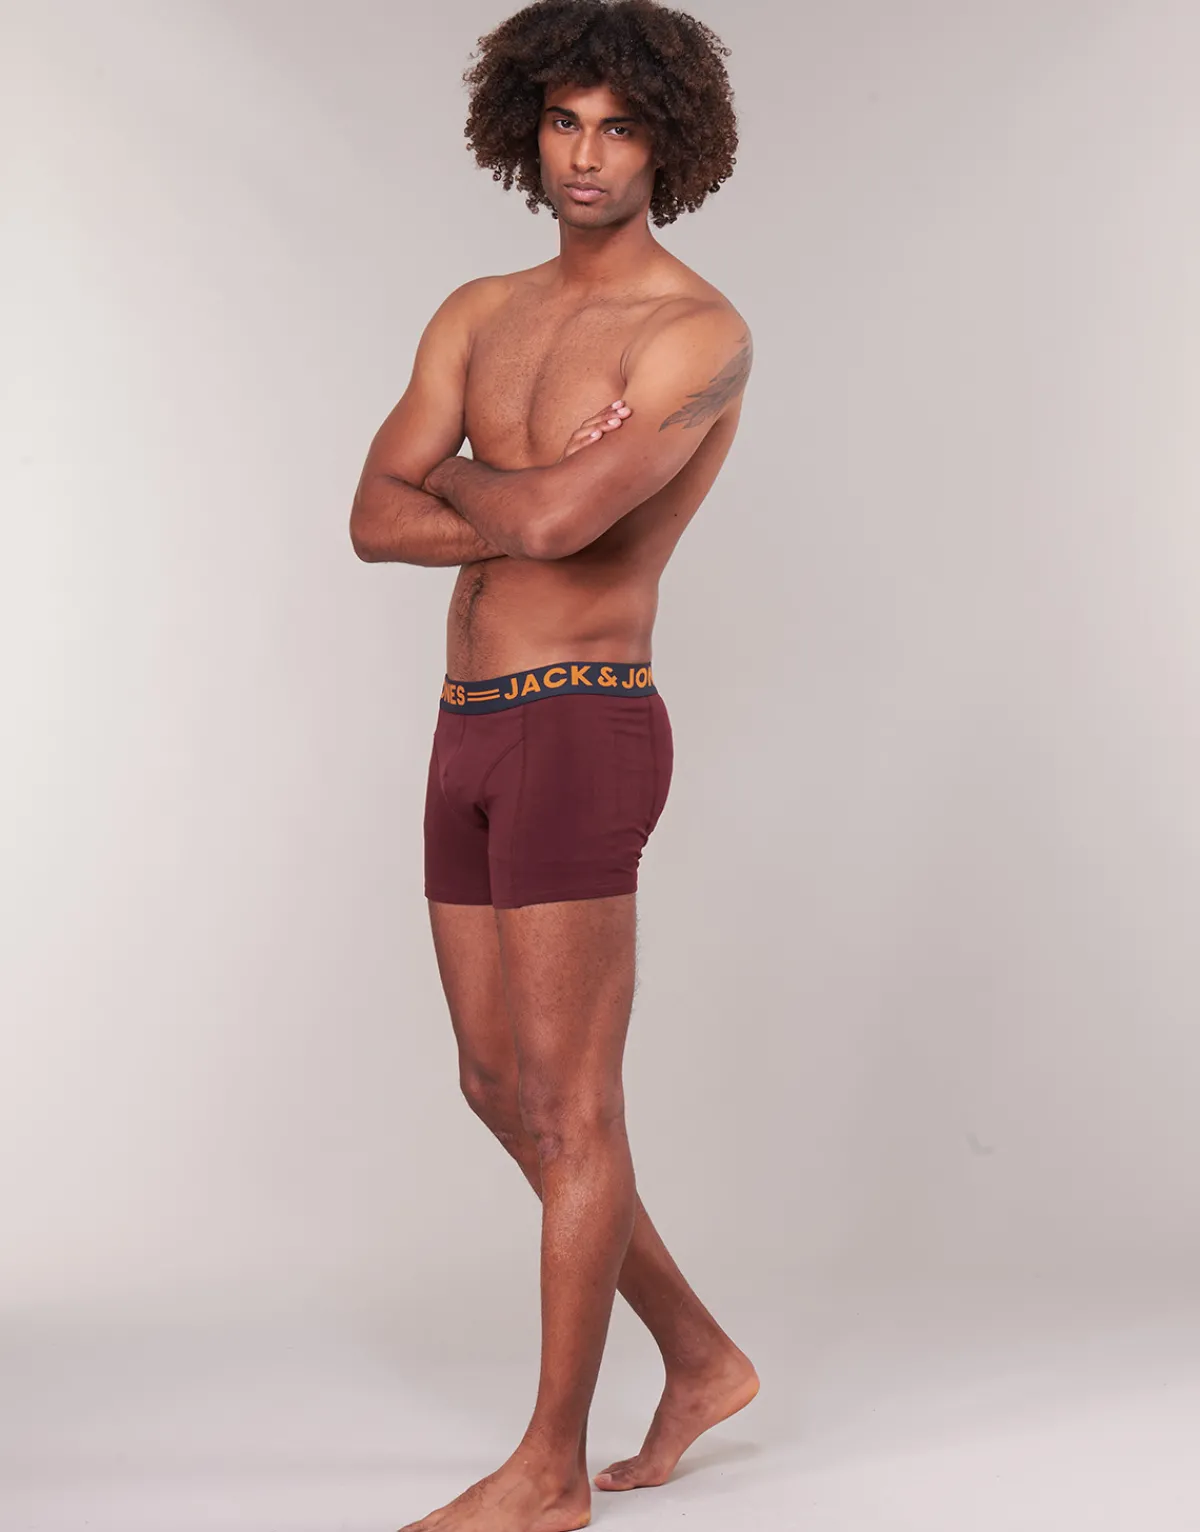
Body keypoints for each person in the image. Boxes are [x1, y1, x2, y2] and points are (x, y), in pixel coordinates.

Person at [350, 2, 757, 1527]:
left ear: (669, 145)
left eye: (621, 127)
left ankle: (547, 1472)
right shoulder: (478, 310)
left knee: (575, 1108)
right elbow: (370, 517)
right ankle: (702, 1355)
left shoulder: (693, 334)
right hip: (465, 721)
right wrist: (512, 487)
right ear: (525, 128)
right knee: (493, 1082)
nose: (589, 155)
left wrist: (459, 473)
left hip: (584, 719)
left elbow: (557, 528)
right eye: (566, 122)